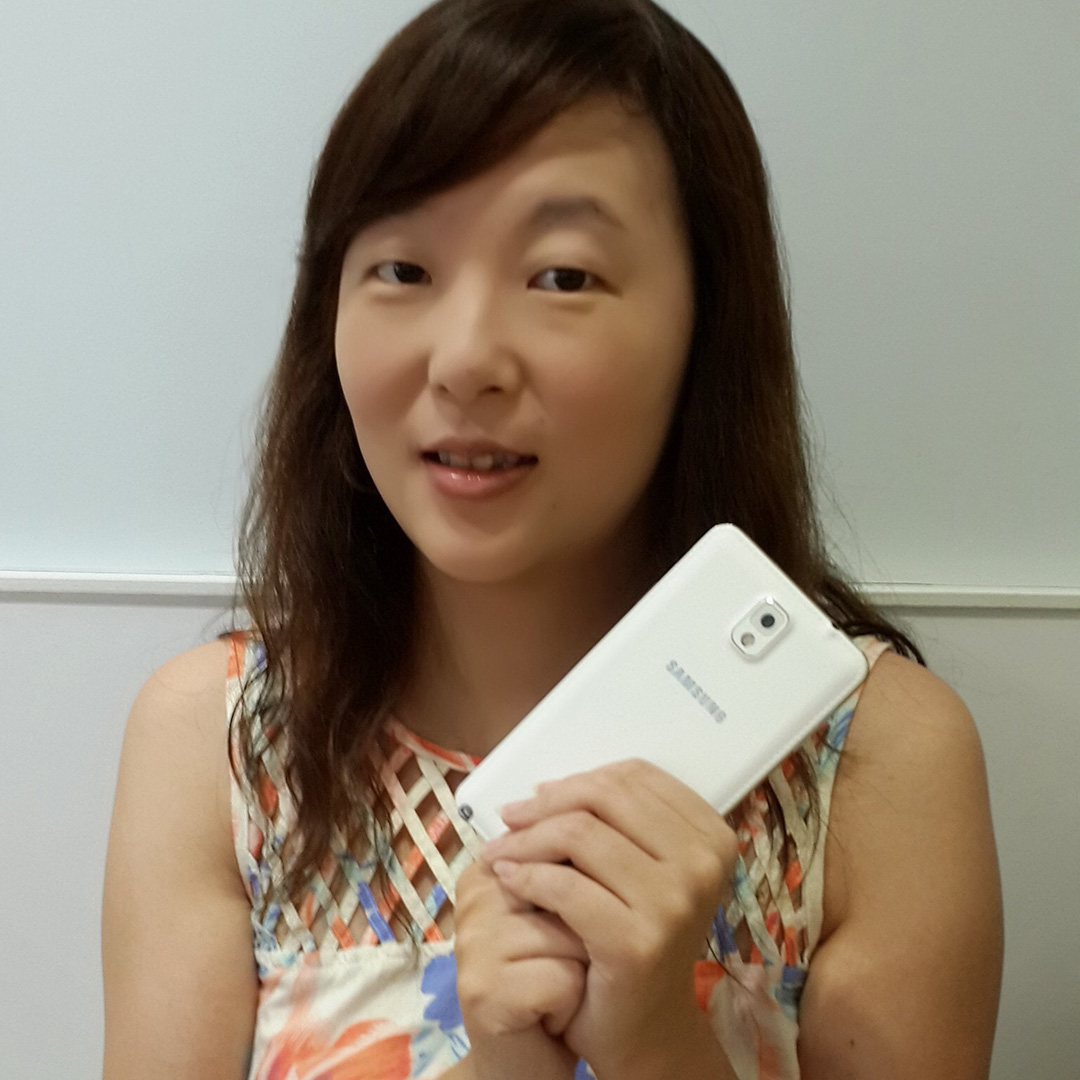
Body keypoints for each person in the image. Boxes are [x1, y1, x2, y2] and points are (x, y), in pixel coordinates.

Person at [101, 1, 1004, 1077]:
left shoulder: (877, 766)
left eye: (562, 276)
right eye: (402, 270)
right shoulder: (224, 749)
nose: (464, 360)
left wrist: (656, 1042)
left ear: (707, 322)